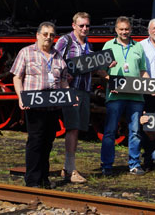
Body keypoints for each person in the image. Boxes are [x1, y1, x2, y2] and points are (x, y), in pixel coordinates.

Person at [11, 22, 71, 188]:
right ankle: (32, 180)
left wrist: (69, 96)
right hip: (34, 105)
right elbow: (17, 77)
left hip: (53, 106)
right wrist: (21, 97)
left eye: (51, 35)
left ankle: (44, 178)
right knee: (36, 141)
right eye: (45, 34)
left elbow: (64, 80)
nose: (48, 38)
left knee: (48, 142)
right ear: (37, 35)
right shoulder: (26, 52)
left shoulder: (58, 56)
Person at [99, 16, 150, 176]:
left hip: (136, 97)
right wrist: (110, 81)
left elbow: (142, 71)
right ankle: (107, 165)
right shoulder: (108, 45)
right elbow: (101, 70)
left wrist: (150, 85)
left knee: (135, 131)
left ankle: (134, 164)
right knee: (110, 131)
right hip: (115, 96)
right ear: (116, 30)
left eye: (127, 29)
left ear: (131, 30)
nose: (124, 32)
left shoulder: (137, 47)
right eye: (121, 29)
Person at [54, 12, 93, 183]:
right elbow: (53, 61)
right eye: (81, 25)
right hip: (70, 90)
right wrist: (64, 76)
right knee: (72, 127)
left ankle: (67, 167)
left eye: (87, 25)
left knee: (77, 128)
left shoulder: (87, 44)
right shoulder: (65, 41)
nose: (85, 28)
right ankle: (70, 169)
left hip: (84, 89)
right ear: (74, 25)